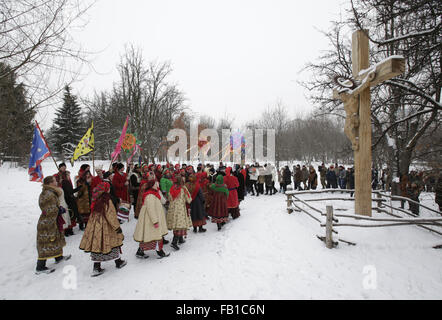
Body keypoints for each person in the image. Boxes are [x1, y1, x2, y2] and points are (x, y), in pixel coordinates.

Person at [79, 181, 126, 277]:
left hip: (95, 225)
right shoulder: (107, 200)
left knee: (97, 244)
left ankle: (96, 267)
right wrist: (117, 228)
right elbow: (111, 215)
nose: (109, 189)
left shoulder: (96, 199)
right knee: (112, 242)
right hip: (106, 225)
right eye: (108, 188)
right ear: (106, 190)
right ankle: (118, 262)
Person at [35, 176, 71, 275]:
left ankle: (58, 257)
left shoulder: (50, 192)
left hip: (52, 221)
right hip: (47, 223)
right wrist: (60, 210)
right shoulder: (48, 194)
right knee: (46, 243)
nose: (56, 182)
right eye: (55, 181)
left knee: (56, 239)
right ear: (50, 183)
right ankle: (40, 266)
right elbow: (49, 209)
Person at [134, 174, 170, 259]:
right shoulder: (149, 195)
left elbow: (161, 200)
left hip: (153, 219)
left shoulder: (155, 193)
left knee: (150, 236)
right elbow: (150, 209)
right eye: (155, 184)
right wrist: (155, 221)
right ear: (152, 185)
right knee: (156, 236)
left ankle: (140, 251)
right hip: (150, 220)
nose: (157, 185)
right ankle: (160, 252)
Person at [166, 175, 192, 250]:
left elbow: (169, 198)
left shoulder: (172, 188)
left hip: (172, 209)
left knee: (176, 223)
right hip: (180, 209)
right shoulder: (183, 188)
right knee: (179, 224)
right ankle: (174, 242)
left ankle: (180, 239)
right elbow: (189, 199)